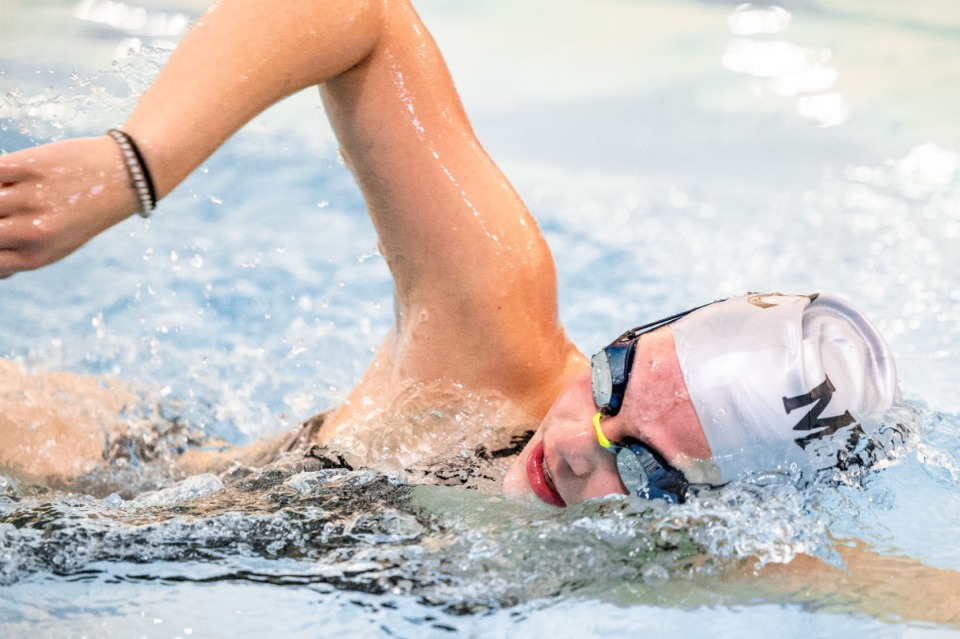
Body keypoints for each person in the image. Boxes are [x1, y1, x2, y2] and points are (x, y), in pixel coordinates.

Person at [0, 0, 897, 507]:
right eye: (616, 378)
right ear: (639, 331)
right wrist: (135, 164)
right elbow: (360, 16)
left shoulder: (698, 560)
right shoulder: (491, 340)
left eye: (648, 465)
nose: (580, 442)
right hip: (92, 477)